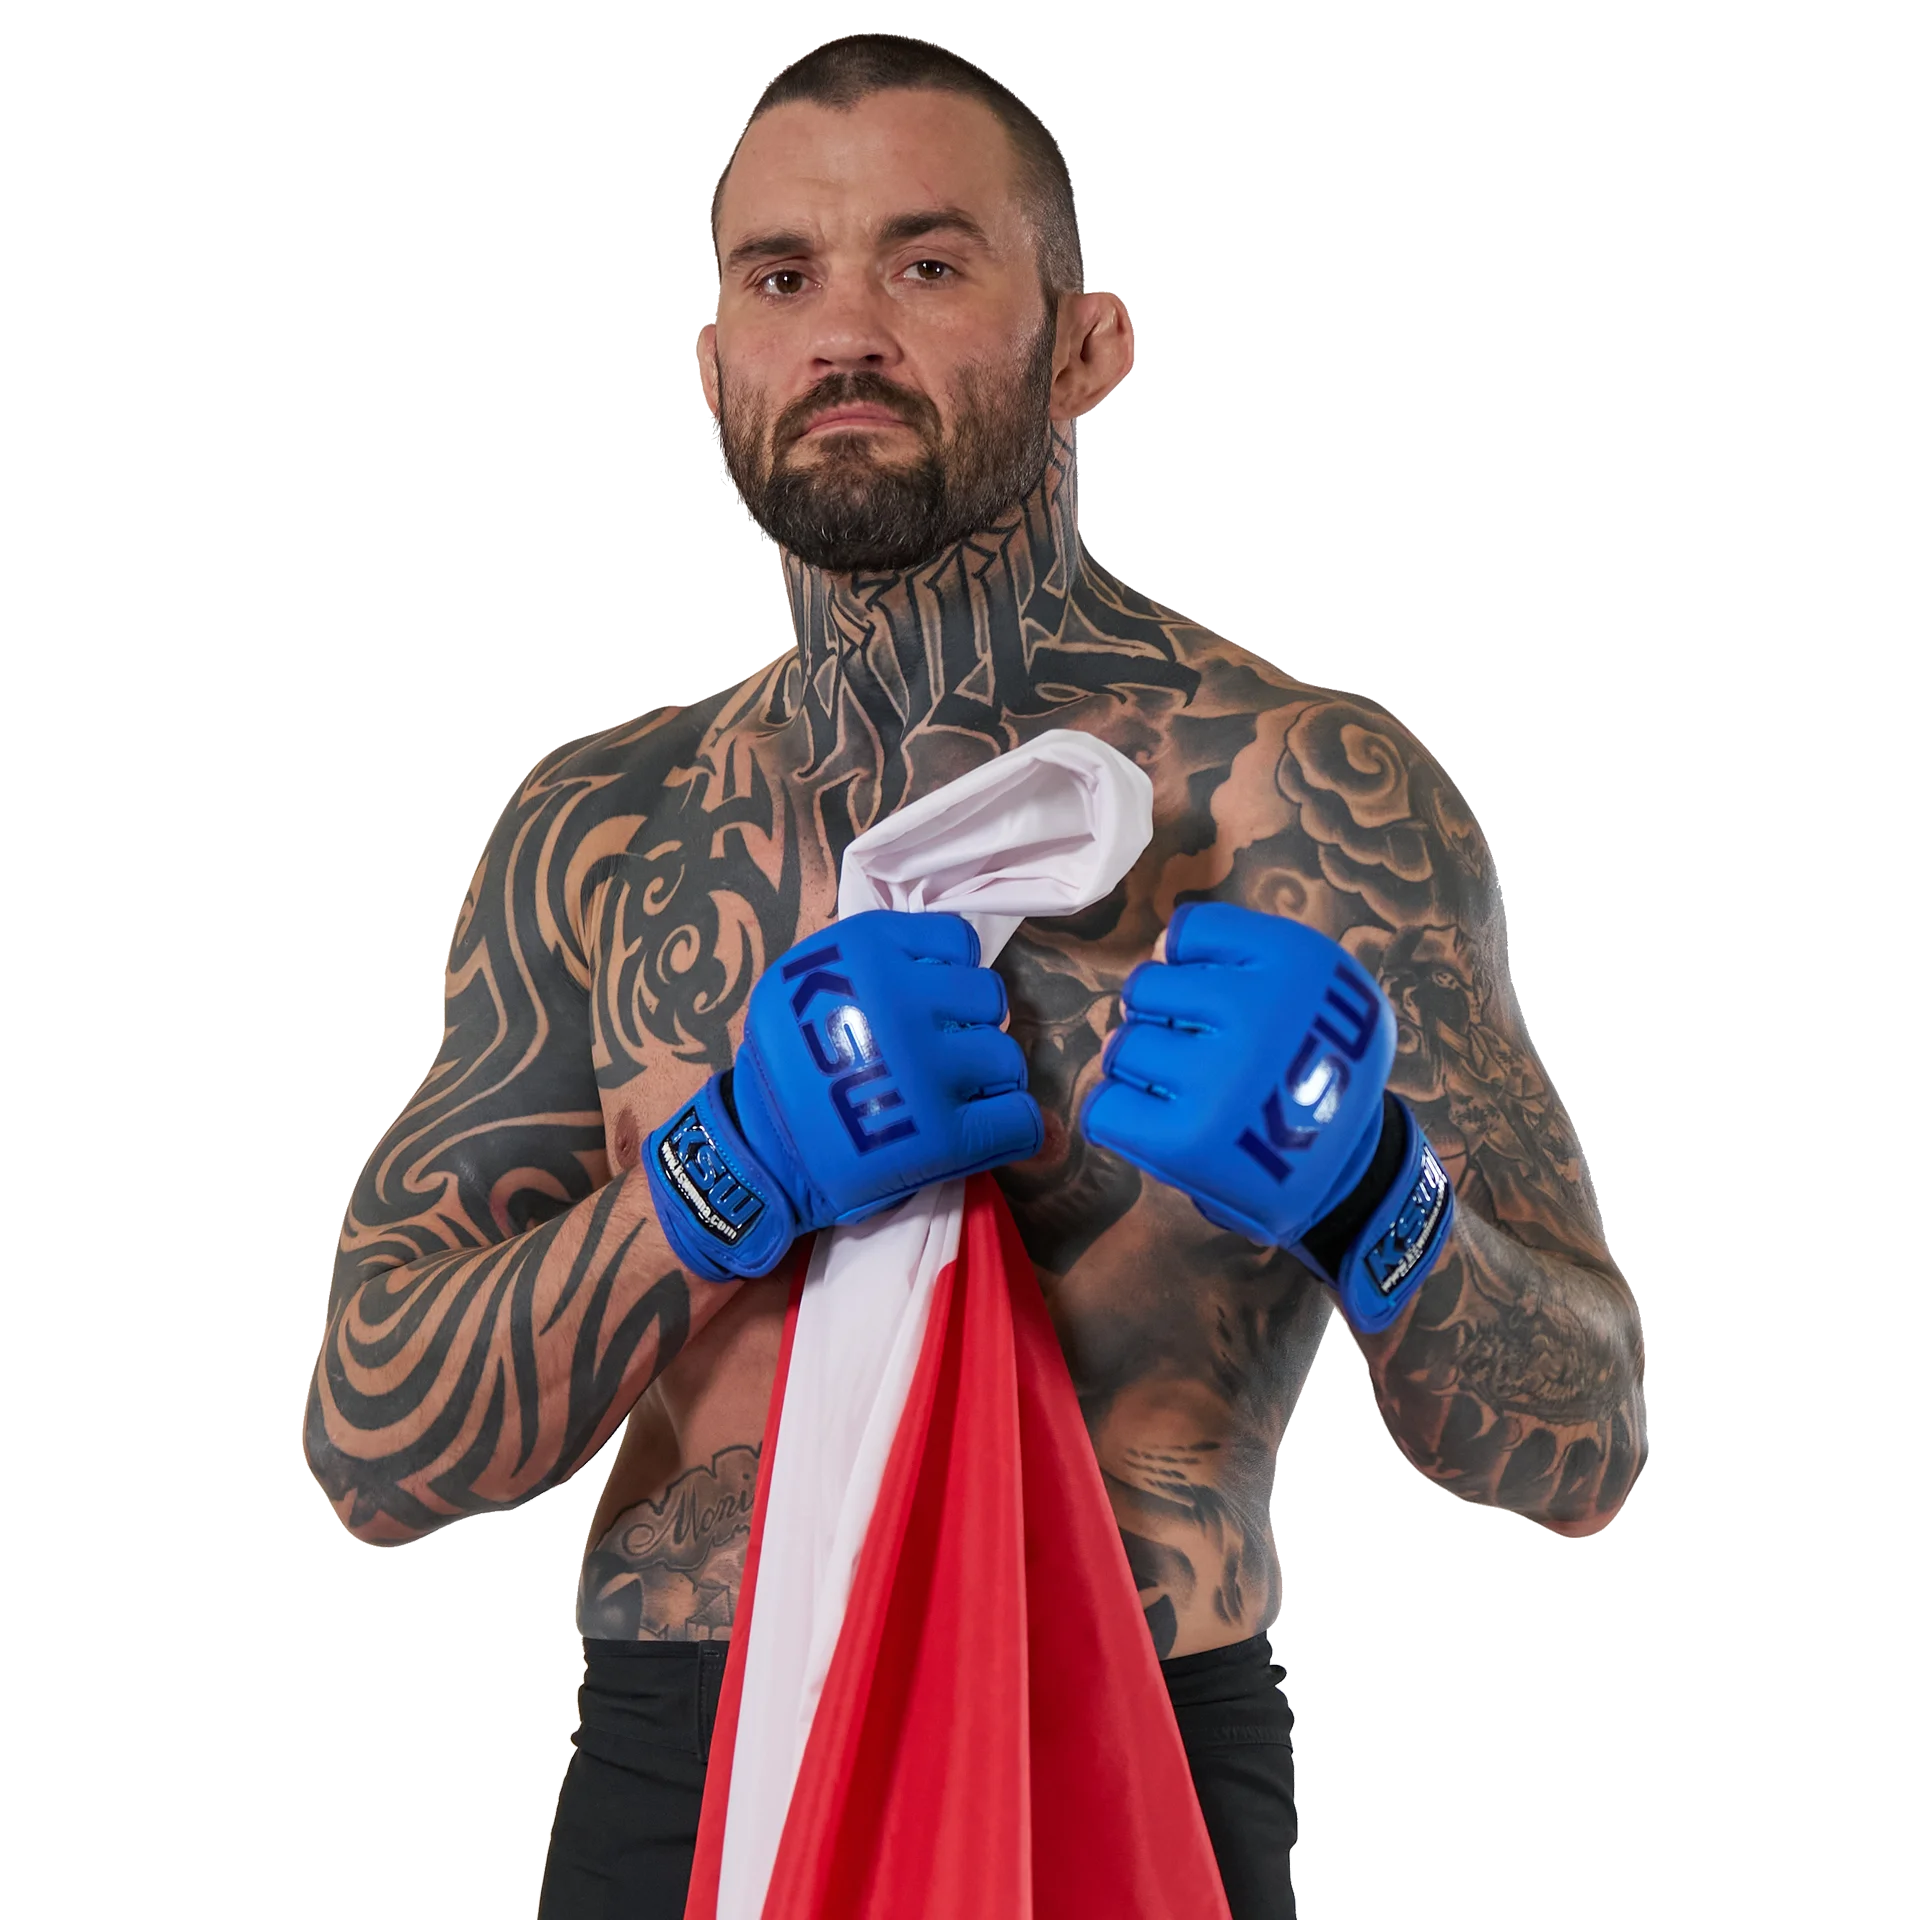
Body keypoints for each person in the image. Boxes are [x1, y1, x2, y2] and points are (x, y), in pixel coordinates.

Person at [302, 33, 1648, 1920]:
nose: (845, 333)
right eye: (783, 277)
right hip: (688, 1759)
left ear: (1085, 344)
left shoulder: (1305, 803)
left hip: (1121, 1729)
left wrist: (1376, 1198)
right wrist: (725, 1177)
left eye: (928, 265)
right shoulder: (601, 827)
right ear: (714, 362)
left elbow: (1585, 1445)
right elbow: (375, 1444)